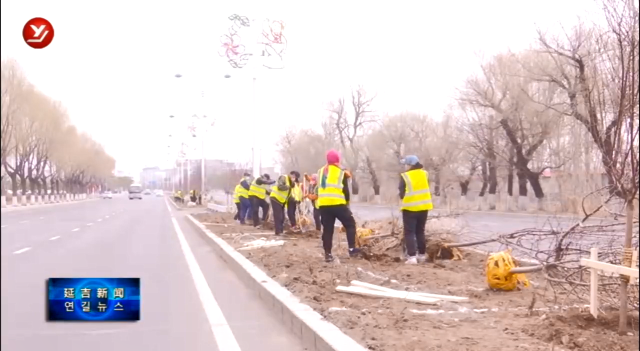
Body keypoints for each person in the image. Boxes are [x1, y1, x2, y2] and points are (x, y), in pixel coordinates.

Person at [317, 150, 360, 262]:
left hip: (323, 205)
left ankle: (328, 254)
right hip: (338, 204)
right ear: (337, 160)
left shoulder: (320, 171)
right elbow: (345, 190)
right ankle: (351, 249)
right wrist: (347, 203)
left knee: (327, 230)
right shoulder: (341, 172)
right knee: (350, 224)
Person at [398, 155, 433, 264]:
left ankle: (412, 257)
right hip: (424, 207)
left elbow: (401, 193)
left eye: (406, 164)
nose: (405, 167)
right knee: (420, 231)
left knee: (409, 232)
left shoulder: (405, 176)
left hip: (410, 208)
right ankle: (422, 255)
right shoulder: (425, 174)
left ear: (410, 165)